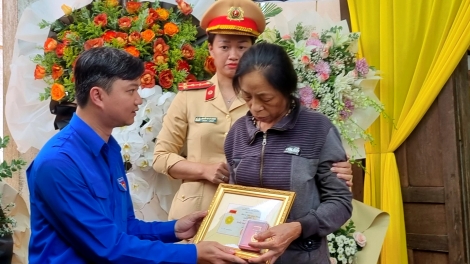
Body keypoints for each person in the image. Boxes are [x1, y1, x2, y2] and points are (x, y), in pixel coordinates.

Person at [26, 47, 248, 264]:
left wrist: (174, 229)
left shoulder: (109, 148)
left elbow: (125, 226)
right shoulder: (59, 163)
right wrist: (193, 254)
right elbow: (108, 247)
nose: (139, 101)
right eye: (131, 91)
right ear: (98, 96)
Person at [152, 0, 353, 221]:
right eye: (224, 46)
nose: (233, 55)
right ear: (210, 48)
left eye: (242, 47)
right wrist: (203, 170)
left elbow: (303, 146)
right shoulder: (190, 97)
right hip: (196, 209)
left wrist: (329, 171)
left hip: (257, 212)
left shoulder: (274, 99)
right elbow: (161, 157)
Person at [224, 42, 353, 264]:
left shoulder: (317, 129)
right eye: (247, 97)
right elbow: (233, 197)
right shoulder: (237, 133)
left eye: (266, 98)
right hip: (247, 258)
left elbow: (340, 202)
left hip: (303, 257)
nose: (255, 107)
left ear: (287, 89)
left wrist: (298, 228)